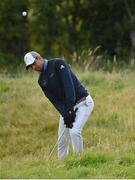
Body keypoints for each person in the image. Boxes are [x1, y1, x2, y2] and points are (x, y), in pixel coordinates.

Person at [24, 51, 94, 159]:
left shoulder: (58, 64)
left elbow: (68, 85)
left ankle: (79, 160)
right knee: (62, 139)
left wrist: (70, 109)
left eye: (34, 63)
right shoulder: (41, 80)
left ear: (39, 58)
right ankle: (62, 165)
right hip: (67, 109)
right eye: (31, 66)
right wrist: (65, 113)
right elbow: (54, 100)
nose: (34, 67)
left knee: (74, 131)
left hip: (83, 102)